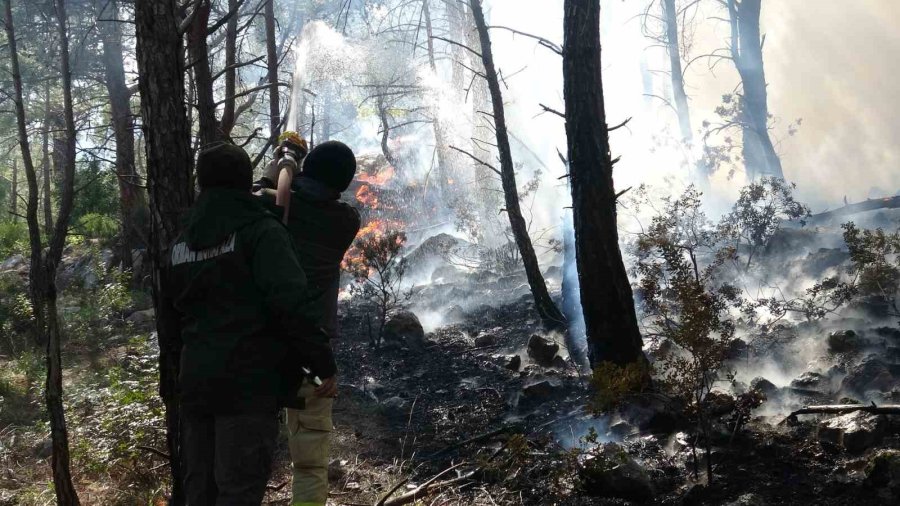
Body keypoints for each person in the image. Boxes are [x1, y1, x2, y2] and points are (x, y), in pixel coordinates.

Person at [171, 142, 338, 505]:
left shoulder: (182, 242)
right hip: (246, 388)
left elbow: (172, 319)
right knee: (239, 490)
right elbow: (291, 303)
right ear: (245, 181)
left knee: (200, 492)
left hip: (196, 384)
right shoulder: (262, 232)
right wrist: (323, 363)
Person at [255, 139, 361, 506]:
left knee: (246, 459)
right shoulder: (346, 220)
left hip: (259, 347)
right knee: (311, 465)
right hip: (312, 357)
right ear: (344, 184)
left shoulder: (270, 206)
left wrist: (285, 161)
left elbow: (260, 193)